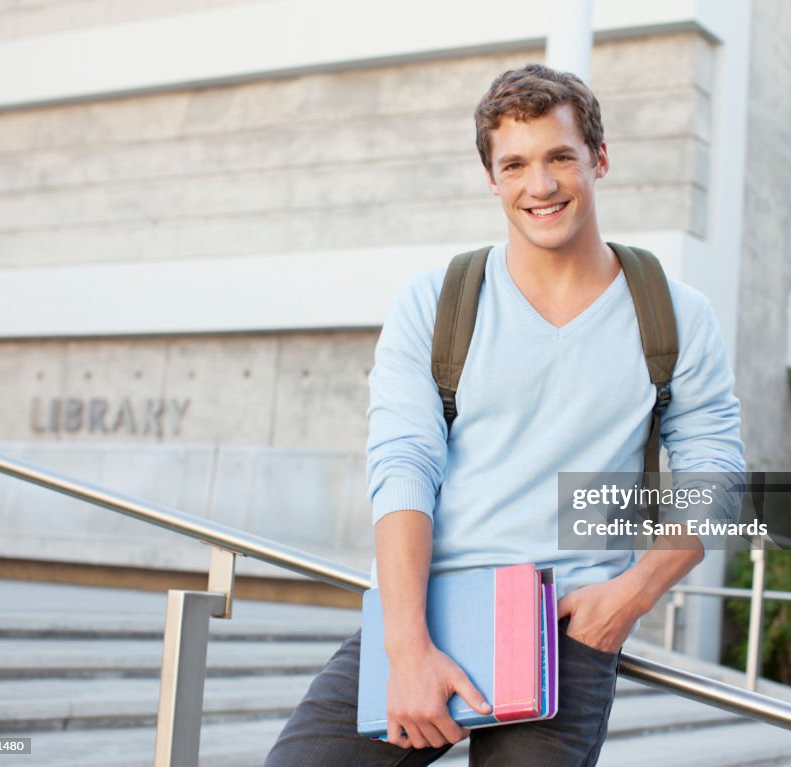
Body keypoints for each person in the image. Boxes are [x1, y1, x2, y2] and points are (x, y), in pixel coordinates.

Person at [265, 63, 744, 767]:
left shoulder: (674, 314)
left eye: (560, 157)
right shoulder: (435, 302)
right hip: (427, 609)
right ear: (492, 178)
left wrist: (632, 594)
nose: (540, 185)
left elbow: (720, 476)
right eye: (514, 164)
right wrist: (407, 645)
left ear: (599, 160)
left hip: (566, 625)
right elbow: (403, 467)